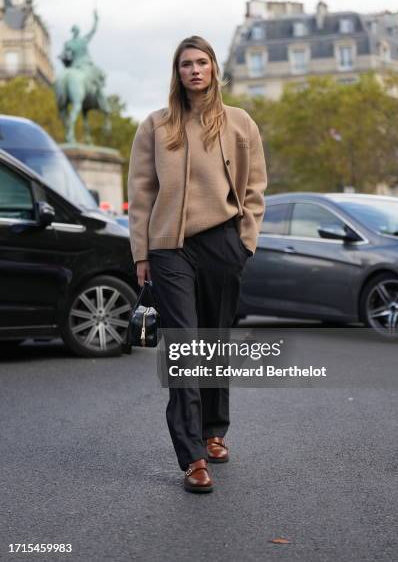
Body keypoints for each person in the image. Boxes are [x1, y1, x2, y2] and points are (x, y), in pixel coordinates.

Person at [127, 35, 267, 493]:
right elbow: (142, 193)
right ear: (177, 71)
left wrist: (244, 242)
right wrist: (142, 253)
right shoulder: (155, 125)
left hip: (223, 243)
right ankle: (192, 457)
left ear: (213, 70)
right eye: (186, 63)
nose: (194, 70)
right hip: (170, 249)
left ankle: (214, 429)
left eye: (202, 62)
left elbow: (254, 189)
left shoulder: (239, 122)